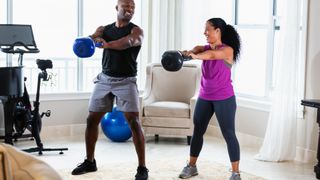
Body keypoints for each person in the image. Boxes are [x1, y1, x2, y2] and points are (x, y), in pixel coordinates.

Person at [71, 0, 148, 179]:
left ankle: (142, 168)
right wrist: (91, 40)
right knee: (91, 120)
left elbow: (128, 42)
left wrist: (105, 44)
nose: (130, 10)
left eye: (132, 7)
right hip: (104, 79)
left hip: (126, 81)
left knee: (134, 123)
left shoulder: (136, 31)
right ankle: (90, 162)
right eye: (126, 6)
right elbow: (90, 39)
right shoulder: (104, 29)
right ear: (117, 8)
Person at [178, 18, 241, 180]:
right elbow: (198, 49)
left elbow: (212, 55)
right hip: (205, 97)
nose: (204, 33)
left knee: (229, 133)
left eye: (208, 30)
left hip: (224, 98)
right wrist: (187, 53)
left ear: (218, 31)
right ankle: (191, 166)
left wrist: (195, 57)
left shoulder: (228, 50)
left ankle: (235, 173)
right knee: (198, 131)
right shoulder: (202, 48)